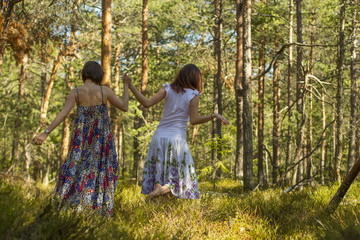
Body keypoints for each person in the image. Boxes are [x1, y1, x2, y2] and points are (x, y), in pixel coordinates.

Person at [34, 61, 130, 215]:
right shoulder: (104, 91)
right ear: (98, 74)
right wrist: (126, 85)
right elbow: (125, 106)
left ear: (84, 74)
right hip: (101, 142)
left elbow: (63, 114)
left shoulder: (76, 92)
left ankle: (72, 206)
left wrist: (46, 132)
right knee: (99, 170)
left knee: (77, 169)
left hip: (81, 141)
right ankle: (96, 207)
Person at [129, 64, 229, 199]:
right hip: (177, 140)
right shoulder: (193, 94)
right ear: (195, 79)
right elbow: (194, 120)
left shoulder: (167, 89)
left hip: (158, 137)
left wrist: (130, 86)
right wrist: (213, 115)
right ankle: (165, 187)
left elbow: (146, 103)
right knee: (185, 175)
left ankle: (159, 188)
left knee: (162, 170)